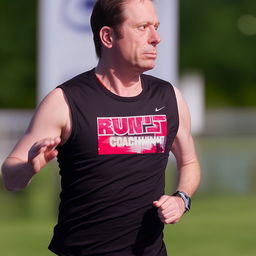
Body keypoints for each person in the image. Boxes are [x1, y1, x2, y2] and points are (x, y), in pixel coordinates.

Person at [1, 0, 201, 255]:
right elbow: (11, 178)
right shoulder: (65, 101)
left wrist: (181, 198)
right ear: (107, 36)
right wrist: (28, 167)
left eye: (156, 27)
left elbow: (189, 162)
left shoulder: (169, 97)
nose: (156, 38)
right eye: (142, 27)